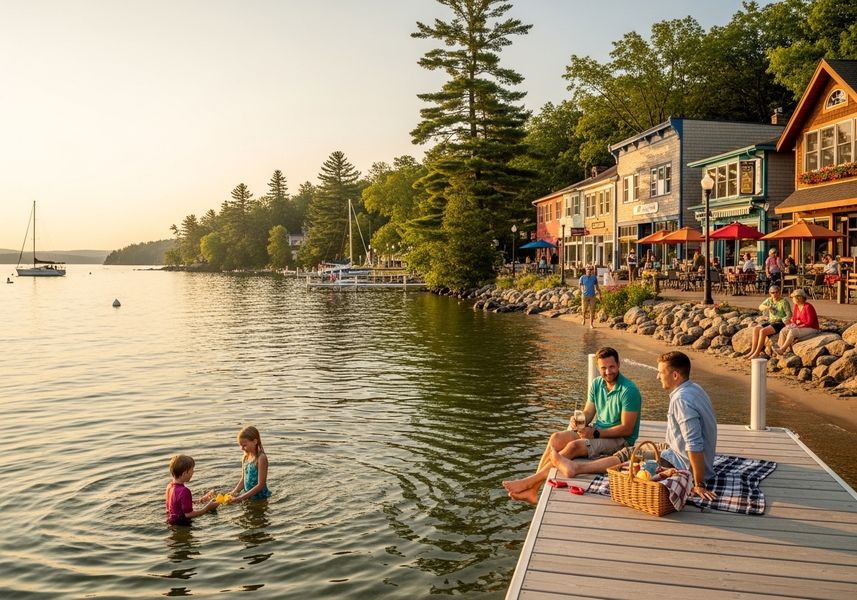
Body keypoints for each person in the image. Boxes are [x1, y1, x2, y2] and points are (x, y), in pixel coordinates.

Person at [551, 351, 718, 501]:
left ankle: (576, 468)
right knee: (643, 448)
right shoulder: (694, 389)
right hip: (678, 452)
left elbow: (694, 444)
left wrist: (699, 483)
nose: (657, 377)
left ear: (675, 375)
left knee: (630, 454)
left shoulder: (681, 400)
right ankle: (541, 477)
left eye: (660, 372)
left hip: (682, 464)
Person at [502, 347, 642, 504]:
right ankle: (533, 489)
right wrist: (579, 422)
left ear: (619, 365)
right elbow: (589, 411)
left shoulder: (629, 390)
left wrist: (595, 433)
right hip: (597, 431)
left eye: (612, 367)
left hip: (620, 439)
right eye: (603, 367)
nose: (608, 371)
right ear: (598, 367)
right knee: (556, 438)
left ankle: (530, 483)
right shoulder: (597, 384)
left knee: (573, 447)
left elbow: (627, 429)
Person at [165, 454, 217, 526]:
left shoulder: (169, 486)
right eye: (192, 470)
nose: (193, 472)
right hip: (182, 524)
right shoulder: (184, 491)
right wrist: (207, 508)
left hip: (171, 522)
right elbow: (188, 514)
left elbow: (178, 504)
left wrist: (201, 500)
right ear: (184, 473)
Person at [745, 286, 791, 359]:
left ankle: (757, 353)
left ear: (779, 293)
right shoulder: (769, 300)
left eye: (777, 292)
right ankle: (752, 351)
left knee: (763, 331)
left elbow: (789, 314)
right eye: (773, 293)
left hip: (780, 322)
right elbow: (760, 307)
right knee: (755, 329)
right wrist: (767, 307)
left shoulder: (784, 302)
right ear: (770, 293)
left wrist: (785, 319)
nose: (775, 294)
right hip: (771, 321)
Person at [228, 426, 271, 502]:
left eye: (244, 445)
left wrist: (240, 498)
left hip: (260, 498)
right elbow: (243, 479)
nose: (242, 448)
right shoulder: (245, 457)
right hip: (247, 497)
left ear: (255, 442)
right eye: (240, 445)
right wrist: (234, 492)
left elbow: (260, 485)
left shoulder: (261, 458)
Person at [774, 289, 819, 355]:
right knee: (783, 330)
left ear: (799, 298)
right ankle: (780, 349)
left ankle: (782, 349)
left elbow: (810, 322)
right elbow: (794, 319)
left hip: (812, 328)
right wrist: (789, 322)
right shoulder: (796, 306)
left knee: (793, 332)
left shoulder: (808, 307)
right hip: (801, 327)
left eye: (793, 297)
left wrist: (798, 326)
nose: (792, 299)